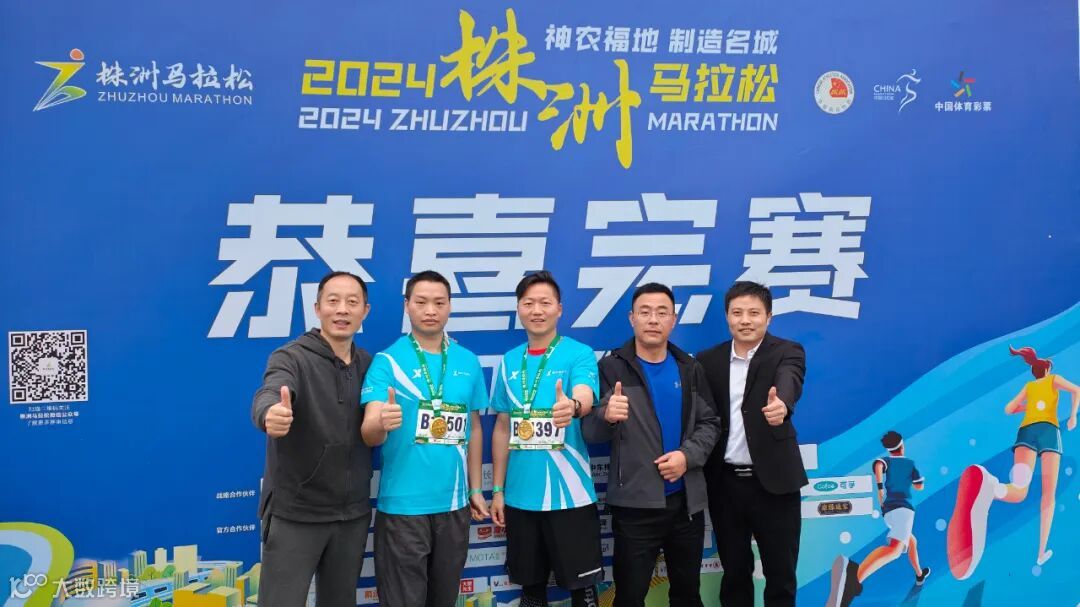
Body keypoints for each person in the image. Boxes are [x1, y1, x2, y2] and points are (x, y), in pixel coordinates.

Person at [582, 282, 720, 606]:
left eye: (662, 312)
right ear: (632, 318)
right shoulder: (611, 368)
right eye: (645, 312)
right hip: (634, 507)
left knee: (687, 595)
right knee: (629, 597)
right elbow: (589, 431)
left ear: (673, 319)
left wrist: (687, 457)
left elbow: (710, 423)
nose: (653, 319)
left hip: (685, 504)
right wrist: (606, 416)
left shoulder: (690, 368)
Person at [360, 270, 490, 607]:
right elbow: (369, 432)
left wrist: (476, 489)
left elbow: (474, 428)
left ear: (449, 307)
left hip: (454, 507)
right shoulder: (387, 362)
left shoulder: (467, 361)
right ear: (407, 306)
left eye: (439, 303)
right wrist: (380, 423)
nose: (430, 310)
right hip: (403, 508)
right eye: (421, 302)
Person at [251, 271, 374, 607]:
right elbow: (271, 390)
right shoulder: (291, 357)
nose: (342, 309)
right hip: (297, 513)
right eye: (333, 301)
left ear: (365, 311)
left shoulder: (369, 364)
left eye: (352, 302)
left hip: (351, 516)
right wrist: (269, 413)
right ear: (318, 308)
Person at [490, 271, 602, 607]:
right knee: (531, 592)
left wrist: (574, 406)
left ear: (559, 309)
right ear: (519, 309)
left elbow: (585, 394)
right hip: (521, 497)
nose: (536, 310)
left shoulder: (579, 354)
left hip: (571, 496)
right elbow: (502, 426)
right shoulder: (508, 361)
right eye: (528, 303)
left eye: (545, 303)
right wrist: (498, 489)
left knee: (583, 592)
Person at [696, 281, 807, 607]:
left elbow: (790, 379)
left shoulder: (787, 352)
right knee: (734, 574)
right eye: (737, 313)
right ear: (727, 317)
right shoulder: (708, 360)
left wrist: (782, 404)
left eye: (754, 313)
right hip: (725, 484)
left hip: (775, 482)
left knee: (781, 575)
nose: (745, 320)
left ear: (768, 317)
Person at [947, 346, 1079, 579]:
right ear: (1047, 370)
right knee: (1048, 495)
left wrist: (1028, 407)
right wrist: (1072, 416)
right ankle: (1041, 551)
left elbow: (1008, 409)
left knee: (1019, 490)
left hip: (1026, 431)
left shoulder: (1029, 387)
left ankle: (992, 487)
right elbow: (1077, 390)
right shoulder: (1054, 380)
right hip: (1049, 431)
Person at [826, 431, 929, 607]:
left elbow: (879, 464)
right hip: (903, 509)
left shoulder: (886, 461)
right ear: (902, 446)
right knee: (895, 549)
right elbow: (920, 486)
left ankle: (919, 575)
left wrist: (880, 487)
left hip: (889, 511)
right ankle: (853, 579)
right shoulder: (909, 463)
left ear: (889, 449)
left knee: (911, 541)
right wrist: (912, 481)